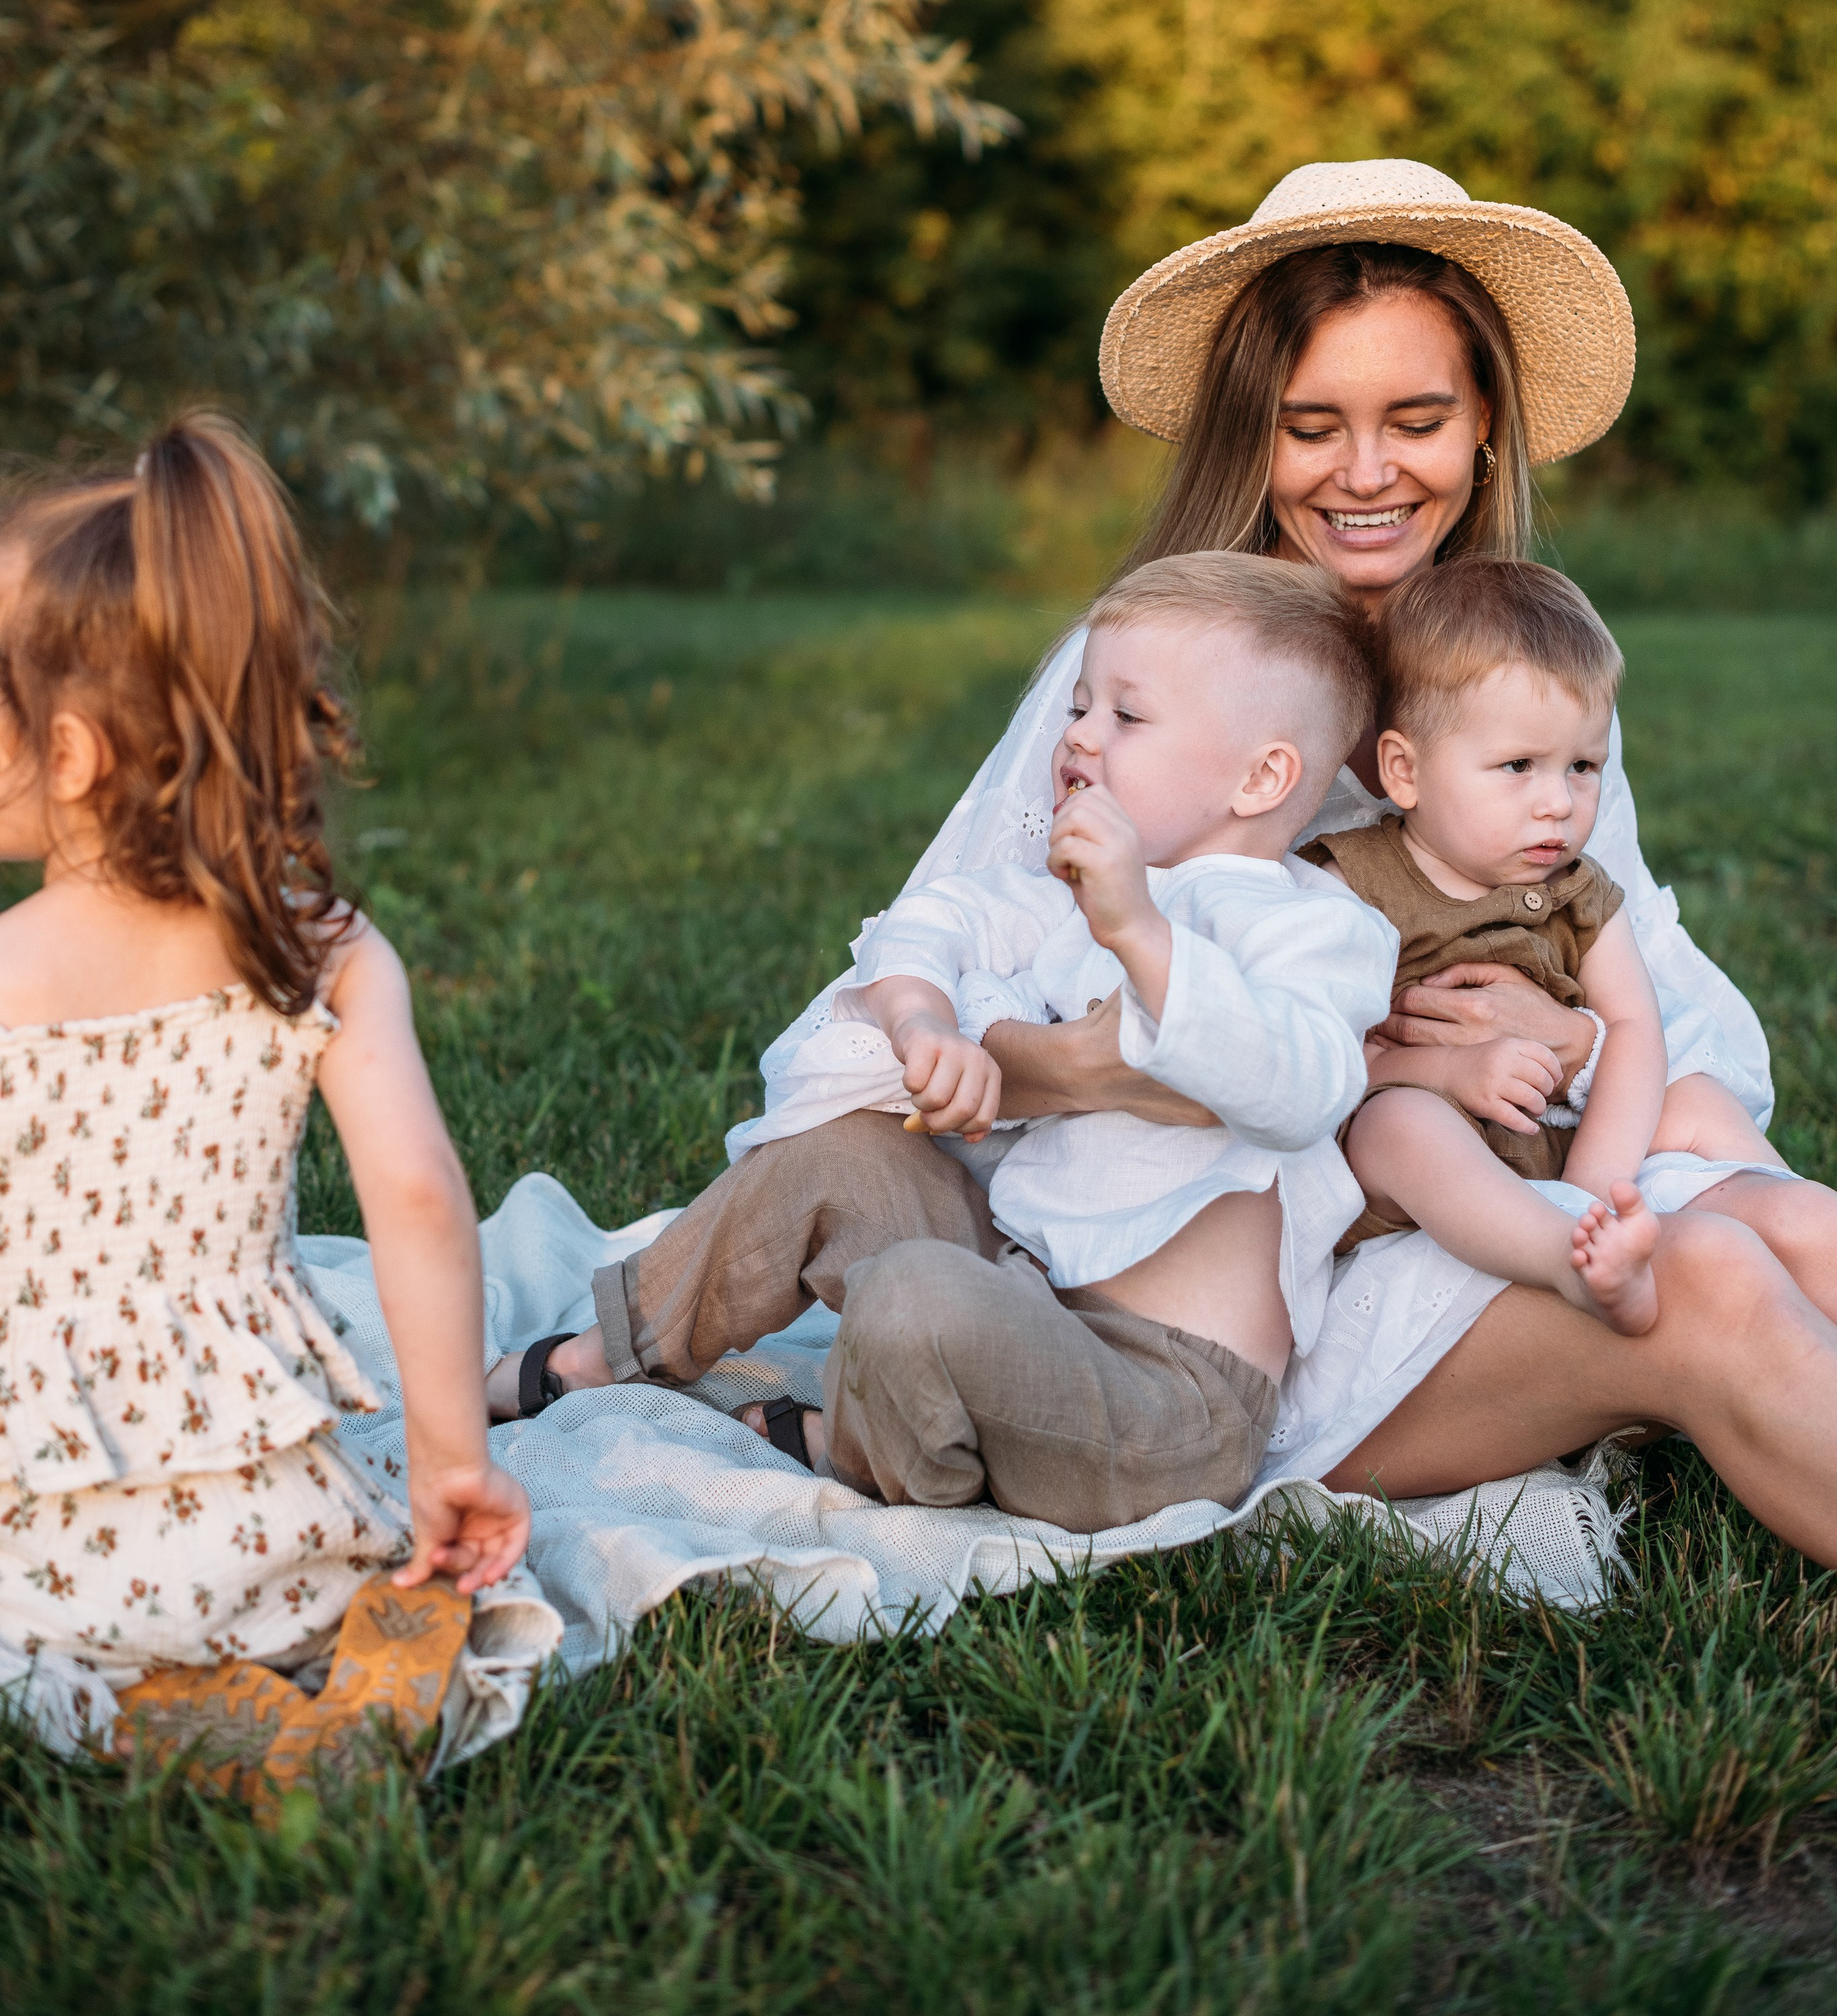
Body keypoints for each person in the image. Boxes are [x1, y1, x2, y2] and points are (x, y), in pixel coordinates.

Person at [497, 160, 1837, 1567]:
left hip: (1480, 1211)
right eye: (1310, 426)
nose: (1366, 472)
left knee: (1772, 1219)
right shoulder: (1150, 683)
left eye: (1417, 420)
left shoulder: (1517, 688)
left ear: (1485, 426)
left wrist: (1566, 1036)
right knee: (1708, 1278)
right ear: (1250, 434)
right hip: (1229, 1313)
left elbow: (1669, 1024)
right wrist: (1108, 1059)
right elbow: (899, 1028)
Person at [0, 415, 530, 1780]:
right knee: (333, 1570)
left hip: (39, 1553)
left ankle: (127, 1705)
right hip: (273, 1539)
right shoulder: (322, 951)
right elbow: (418, 1199)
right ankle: (323, 1665)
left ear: (71, 754)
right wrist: (451, 1461)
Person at [832, 552, 1394, 1495]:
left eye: (1126, 717)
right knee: (838, 1157)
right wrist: (925, 1020)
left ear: (1262, 777)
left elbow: (1302, 1089)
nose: (1081, 736)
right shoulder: (1079, 894)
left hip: (1174, 1401)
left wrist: (1139, 930)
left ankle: (863, 1443)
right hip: (1039, 1315)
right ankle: (617, 1348)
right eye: (1080, 706)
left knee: (909, 1295)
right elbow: (930, 921)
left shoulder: (1311, 926)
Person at [1312, 555, 1818, 1336]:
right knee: (1399, 1127)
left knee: (1694, 1098)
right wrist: (1446, 1071)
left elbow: (1633, 1026)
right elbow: (1323, 1059)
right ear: (1404, 771)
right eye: (1518, 766)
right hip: (1430, 1153)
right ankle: (1566, 1257)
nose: (1558, 802)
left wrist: (1593, 1183)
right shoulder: (1352, 885)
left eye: (1583, 766)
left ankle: (1796, 1233)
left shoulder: (1579, 892)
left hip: (1561, 1137)